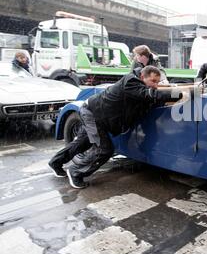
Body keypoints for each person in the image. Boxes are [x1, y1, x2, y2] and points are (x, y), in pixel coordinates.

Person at [48, 66, 176, 189]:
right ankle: (76, 172)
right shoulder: (131, 81)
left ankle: (55, 162)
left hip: (95, 113)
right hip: (93, 114)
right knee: (104, 150)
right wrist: (176, 94)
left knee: (82, 142)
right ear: (142, 76)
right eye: (153, 81)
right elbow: (149, 95)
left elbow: (148, 100)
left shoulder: (138, 86)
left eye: (157, 82)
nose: (155, 85)